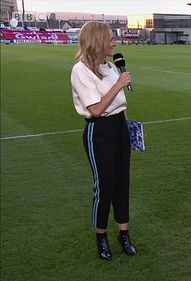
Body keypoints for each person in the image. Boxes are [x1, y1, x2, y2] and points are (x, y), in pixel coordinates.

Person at [71, 21, 136, 260]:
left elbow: (121, 104)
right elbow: (97, 109)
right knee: (105, 186)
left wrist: (129, 128)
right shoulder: (80, 70)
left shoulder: (110, 67)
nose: (115, 43)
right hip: (99, 131)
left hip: (119, 126)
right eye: (110, 39)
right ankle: (101, 238)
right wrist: (119, 84)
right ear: (97, 41)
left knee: (122, 183)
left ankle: (124, 234)